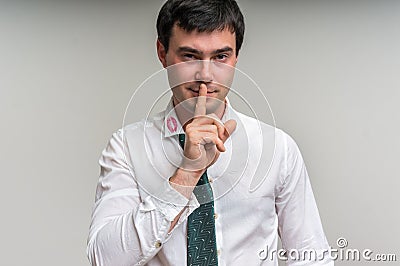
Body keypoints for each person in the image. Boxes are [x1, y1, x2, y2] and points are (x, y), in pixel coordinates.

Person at [87, 0, 333, 265]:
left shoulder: (277, 148)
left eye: (220, 57)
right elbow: (104, 258)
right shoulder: (127, 147)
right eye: (190, 56)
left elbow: (312, 256)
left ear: (236, 56)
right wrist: (187, 174)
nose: (205, 75)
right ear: (163, 53)